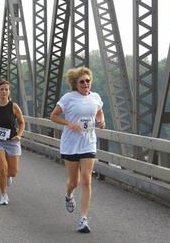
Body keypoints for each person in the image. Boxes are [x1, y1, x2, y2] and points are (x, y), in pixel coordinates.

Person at [50, 66, 105, 233]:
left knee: (86, 180)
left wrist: (101, 121)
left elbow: (100, 112)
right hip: (70, 144)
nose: (85, 84)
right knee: (74, 182)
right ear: (76, 83)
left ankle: (83, 219)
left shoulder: (95, 97)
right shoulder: (68, 98)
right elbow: (53, 116)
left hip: (88, 143)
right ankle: (68, 195)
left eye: (88, 81)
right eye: (82, 81)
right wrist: (69, 124)